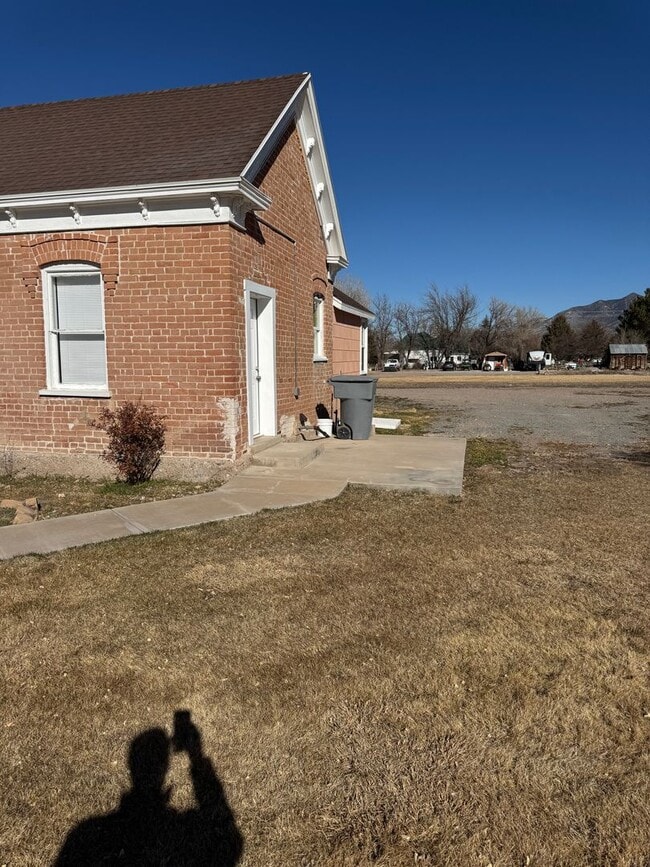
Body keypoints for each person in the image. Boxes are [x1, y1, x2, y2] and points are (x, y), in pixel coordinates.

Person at [54, 712, 243, 866]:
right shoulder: (183, 833)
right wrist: (196, 755)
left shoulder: (85, 834)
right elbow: (229, 843)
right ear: (165, 768)